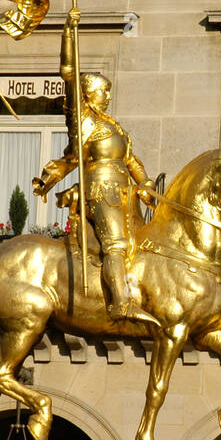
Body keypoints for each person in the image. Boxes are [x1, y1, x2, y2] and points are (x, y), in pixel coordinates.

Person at [32, 72, 158, 324]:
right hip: (101, 189)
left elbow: (131, 159)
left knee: (141, 243)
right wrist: (69, 70)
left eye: (109, 91)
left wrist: (145, 182)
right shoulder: (84, 121)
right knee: (116, 244)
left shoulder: (113, 124)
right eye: (103, 91)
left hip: (125, 192)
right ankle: (121, 303)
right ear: (88, 95)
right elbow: (71, 149)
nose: (108, 96)